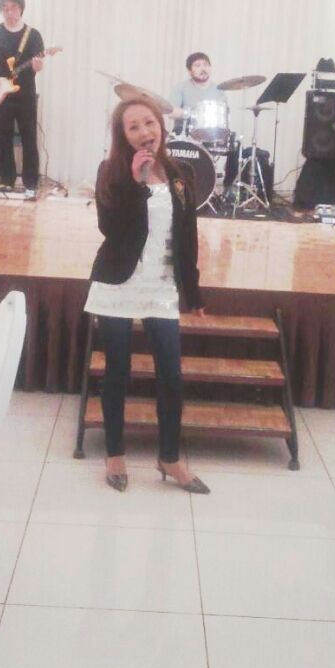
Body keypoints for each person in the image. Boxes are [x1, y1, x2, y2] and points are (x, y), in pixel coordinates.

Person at [85, 97, 209, 494]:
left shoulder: (181, 173)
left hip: (161, 285)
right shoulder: (111, 172)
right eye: (134, 127)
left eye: (149, 123)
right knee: (117, 371)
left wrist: (193, 292)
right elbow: (110, 229)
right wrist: (136, 184)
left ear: (161, 126)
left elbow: (188, 237)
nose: (144, 132)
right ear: (123, 136)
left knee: (171, 374)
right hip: (118, 284)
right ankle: (115, 453)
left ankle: (169, 457)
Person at [0, 0, 43, 196]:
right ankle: (7, 178)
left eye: (13, 7)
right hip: (0, 94)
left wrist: (37, 65)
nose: (9, 12)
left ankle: (31, 182)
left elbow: (37, 66)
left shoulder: (33, 35)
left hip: (25, 94)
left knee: (29, 136)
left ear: (21, 9)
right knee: (3, 136)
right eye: (4, 8)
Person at [171, 51, 227, 131]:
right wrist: (193, 114)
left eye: (205, 65)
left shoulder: (219, 90)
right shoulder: (180, 87)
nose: (203, 69)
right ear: (189, 71)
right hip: (185, 133)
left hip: (212, 133)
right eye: (197, 65)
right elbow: (171, 112)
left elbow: (223, 116)